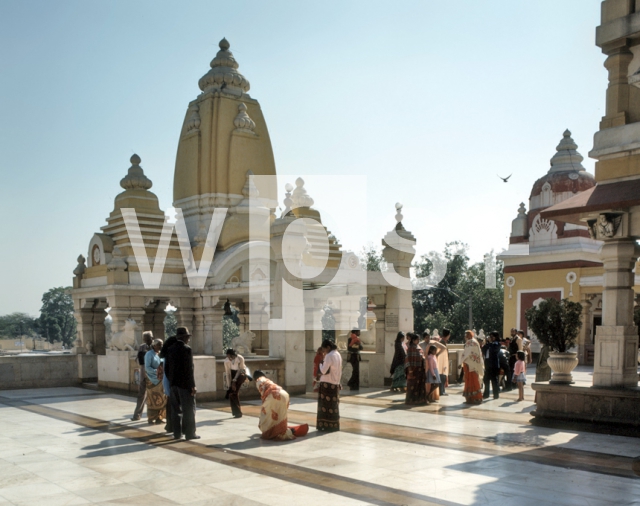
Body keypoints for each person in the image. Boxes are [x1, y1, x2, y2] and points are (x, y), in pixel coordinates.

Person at [165, 327, 199, 440]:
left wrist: (171, 381)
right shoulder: (186, 349)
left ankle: (177, 433)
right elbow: (189, 370)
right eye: (188, 337)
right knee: (188, 409)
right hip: (185, 385)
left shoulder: (170, 349)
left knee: (175, 410)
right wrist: (192, 385)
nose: (188, 340)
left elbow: (166, 368)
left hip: (173, 384)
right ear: (184, 338)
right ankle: (190, 433)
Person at [253, 370, 308, 440]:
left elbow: (263, 394)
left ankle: (271, 432)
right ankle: (282, 430)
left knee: (265, 415)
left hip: (274, 396)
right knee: (280, 417)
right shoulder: (267, 380)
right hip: (284, 394)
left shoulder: (258, 380)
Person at [316, 339, 342, 432]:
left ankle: (325, 425)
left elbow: (323, 370)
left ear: (328, 347)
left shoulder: (329, 356)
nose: (324, 352)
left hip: (327, 383)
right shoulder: (338, 354)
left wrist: (320, 364)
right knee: (333, 405)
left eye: (324, 350)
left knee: (324, 405)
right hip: (335, 383)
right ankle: (333, 425)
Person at [131, 331, 153, 421]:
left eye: (149, 339)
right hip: (143, 374)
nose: (147, 341)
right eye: (146, 339)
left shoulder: (156, 345)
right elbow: (137, 360)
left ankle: (153, 416)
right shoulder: (142, 347)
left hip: (153, 375)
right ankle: (137, 415)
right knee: (141, 395)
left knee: (154, 396)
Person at [144, 338, 166, 424]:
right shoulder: (149, 354)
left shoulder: (159, 354)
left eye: (162, 344)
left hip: (160, 379)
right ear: (154, 345)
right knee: (152, 399)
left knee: (161, 399)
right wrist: (157, 372)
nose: (161, 346)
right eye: (159, 345)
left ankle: (159, 417)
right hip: (152, 380)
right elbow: (147, 368)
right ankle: (151, 418)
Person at [159, 332, 178, 434]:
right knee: (173, 406)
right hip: (171, 383)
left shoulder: (166, 356)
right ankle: (171, 425)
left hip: (167, 383)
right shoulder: (170, 356)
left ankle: (169, 425)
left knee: (170, 404)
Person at [460, 330, 484, 404]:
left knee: (470, 381)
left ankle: (472, 398)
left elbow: (466, 353)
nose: (465, 336)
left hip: (469, 364)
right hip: (474, 365)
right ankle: (475, 398)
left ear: (469, 335)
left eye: (466, 335)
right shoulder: (475, 342)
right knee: (474, 380)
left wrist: (460, 362)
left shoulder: (470, 342)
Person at [404, 333, 427, 405]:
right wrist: (410, 370)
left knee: (420, 385)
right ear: (413, 340)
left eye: (419, 339)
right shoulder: (410, 348)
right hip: (413, 370)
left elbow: (422, 356)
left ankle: (420, 399)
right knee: (412, 385)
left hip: (420, 369)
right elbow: (407, 359)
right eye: (417, 339)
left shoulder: (419, 347)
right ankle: (411, 400)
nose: (418, 341)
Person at [224, 349, 248, 418]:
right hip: (232, 374)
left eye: (231, 357)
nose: (230, 358)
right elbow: (228, 373)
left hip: (241, 374)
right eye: (228, 357)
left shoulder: (240, 358)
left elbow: (241, 369)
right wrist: (229, 386)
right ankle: (236, 412)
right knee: (232, 392)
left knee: (234, 391)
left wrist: (234, 380)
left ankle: (238, 412)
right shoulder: (226, 361)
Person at [482, 331, 501, 400]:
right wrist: (487, 343)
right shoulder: (488, 344)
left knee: (494, 380)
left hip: (494, 365)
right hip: (487, 364)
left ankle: (496, 394)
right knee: (486, 380)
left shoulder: (497, 344)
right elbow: (483, 349)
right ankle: (486, 394)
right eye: (490, 337)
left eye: (492, 337)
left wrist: (489, 344)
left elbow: (493, 350)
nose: (491, 338)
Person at [437, 329, 450, 395]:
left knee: (443, 376)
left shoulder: (443, 341)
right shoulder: (442, 342)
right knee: (442, 376)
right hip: (442, 361)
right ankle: (441, 391)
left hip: (443, 361)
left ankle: (442, 390)